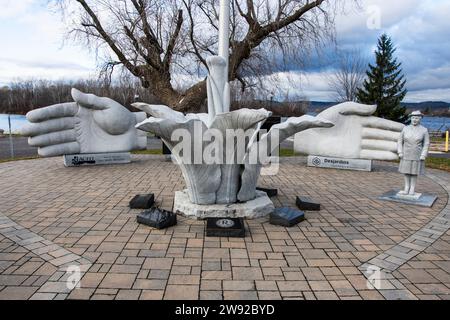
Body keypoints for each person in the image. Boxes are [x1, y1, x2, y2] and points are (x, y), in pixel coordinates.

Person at [397, 111, 430, 197]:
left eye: (416, 118)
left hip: (417, 155)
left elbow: (426, 143)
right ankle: (406, 188)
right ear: (410, 118)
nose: (414, 120)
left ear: (420, 119)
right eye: (413, 118)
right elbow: (400, 141)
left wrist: (423, 154)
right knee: (406, 171)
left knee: (414, 172)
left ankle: (412, 188)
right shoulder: (405, 128)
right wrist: (400, 151)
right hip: (405, 154)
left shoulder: (424, 130)